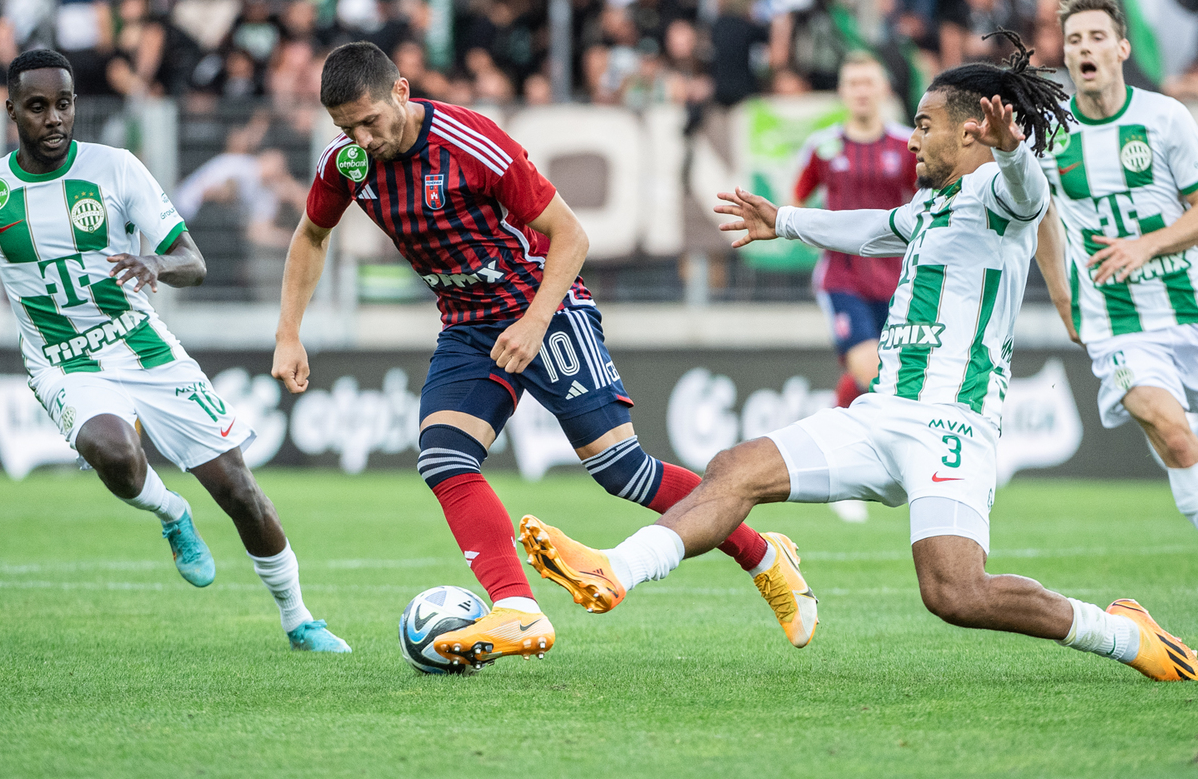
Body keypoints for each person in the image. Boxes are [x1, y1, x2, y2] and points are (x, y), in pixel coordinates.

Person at [518, 34, 1198, 683]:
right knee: (735, 468)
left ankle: (1122, 634)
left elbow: (1030, 194)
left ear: (970, 131)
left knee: (955, 593)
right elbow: (870, 228)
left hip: (952, 424)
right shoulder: (932, 206)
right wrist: (783, 221)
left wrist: (1011, 152)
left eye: (924, 125)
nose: (911, 139)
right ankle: (616, 569)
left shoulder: (1001, 198)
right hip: (880, 414)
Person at [272, 42, 815, 669]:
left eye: (370, 121)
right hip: (468, 325)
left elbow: (571, 235)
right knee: (444, 458)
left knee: (622, 471)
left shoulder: (470, 142)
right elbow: (312, 235)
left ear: (401, 91)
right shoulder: (346, 163)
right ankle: (518, 608)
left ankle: (765, 556)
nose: (363, 140)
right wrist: (289, 332)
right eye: (348, 129)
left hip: (545, 305)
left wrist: (533, 323)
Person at [0, 49, 350, 653]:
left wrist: (155, 262)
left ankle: (299, 619)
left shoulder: (116, 169)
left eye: (64, 104)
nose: (54, 118)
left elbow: (193, 262)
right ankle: (172, 512)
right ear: (11, 111)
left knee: (238, 490)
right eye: (38, 107)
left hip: (142, 344)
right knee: (113, 450)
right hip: (62, 361)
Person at [1032, 0, 1198, 616]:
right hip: (1115, 322)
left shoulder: (1165, 118)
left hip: (1190, 311)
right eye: (1074, 40)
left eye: (1096, 37)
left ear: (1121, 48)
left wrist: (1145, 246)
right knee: (1178, 438)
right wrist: (1063, 297)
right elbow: (1042, 218)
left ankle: (1174, 438)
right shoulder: (1052, 133)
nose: (1084, 48)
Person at [790, 51, 917, 523]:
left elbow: (928, 198)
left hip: (898, 280)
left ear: (883, 89)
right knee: (871, 369)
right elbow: (795, 198)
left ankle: (838, 458)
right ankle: (845, 467)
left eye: (869, 82)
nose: (861, 91)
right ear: (843, 92)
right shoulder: (823, 147)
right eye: (853, 83)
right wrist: (807, 231)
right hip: (842, 278)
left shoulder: (907, 144)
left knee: (890, 375)